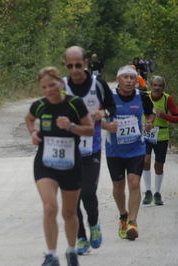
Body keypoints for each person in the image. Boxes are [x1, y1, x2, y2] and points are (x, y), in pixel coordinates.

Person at [25, 66, 94, 266]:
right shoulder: (39, 105)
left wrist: (71, 127)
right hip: (45, 164)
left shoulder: (75, 104)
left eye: (52, 85)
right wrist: (33, 133)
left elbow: (89, 130)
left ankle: (71, 251)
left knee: (69, 213)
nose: (49, 90)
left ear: (61, 83)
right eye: (44, 87)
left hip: (71, 164)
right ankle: (51, 255)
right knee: (49, 207)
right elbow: (29, 119)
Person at [63, 46, 116, 255]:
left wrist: (102, 113)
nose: (74, 70)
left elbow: (113, 107)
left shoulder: (98, 84)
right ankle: (81, 237)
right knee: (71, 198)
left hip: (91, 149)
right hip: (66, 150)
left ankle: (94, 224)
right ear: (65, 65)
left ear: (86, 63)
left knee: (87, 193)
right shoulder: (62, 86)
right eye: (70, 66)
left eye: (78, 65)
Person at [102, 66, 154, 241]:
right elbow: (95, 116)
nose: (130, 81)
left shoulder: (143, 96)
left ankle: (133, 222)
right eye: (126, 77)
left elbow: (150, 114)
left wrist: (149, 123)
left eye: (133, 77)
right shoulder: (109, 96)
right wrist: (107, 126)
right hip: (114, 150)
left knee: (134, 182)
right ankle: (123, 215)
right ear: (119, 79)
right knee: (118, 187)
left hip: (136, 149)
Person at [142, 76, 178, 205]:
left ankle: (157, 193)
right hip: (146, 134)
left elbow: (176, 117)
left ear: (163, 87)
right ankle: (147, 191)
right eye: (155, 85)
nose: (157, 88)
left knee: (159, 166)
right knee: (145, 161)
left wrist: (164, 116)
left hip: (161, 135)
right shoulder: (144, 96)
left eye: (160, 86)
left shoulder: (167, 99)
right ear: (150, 86)